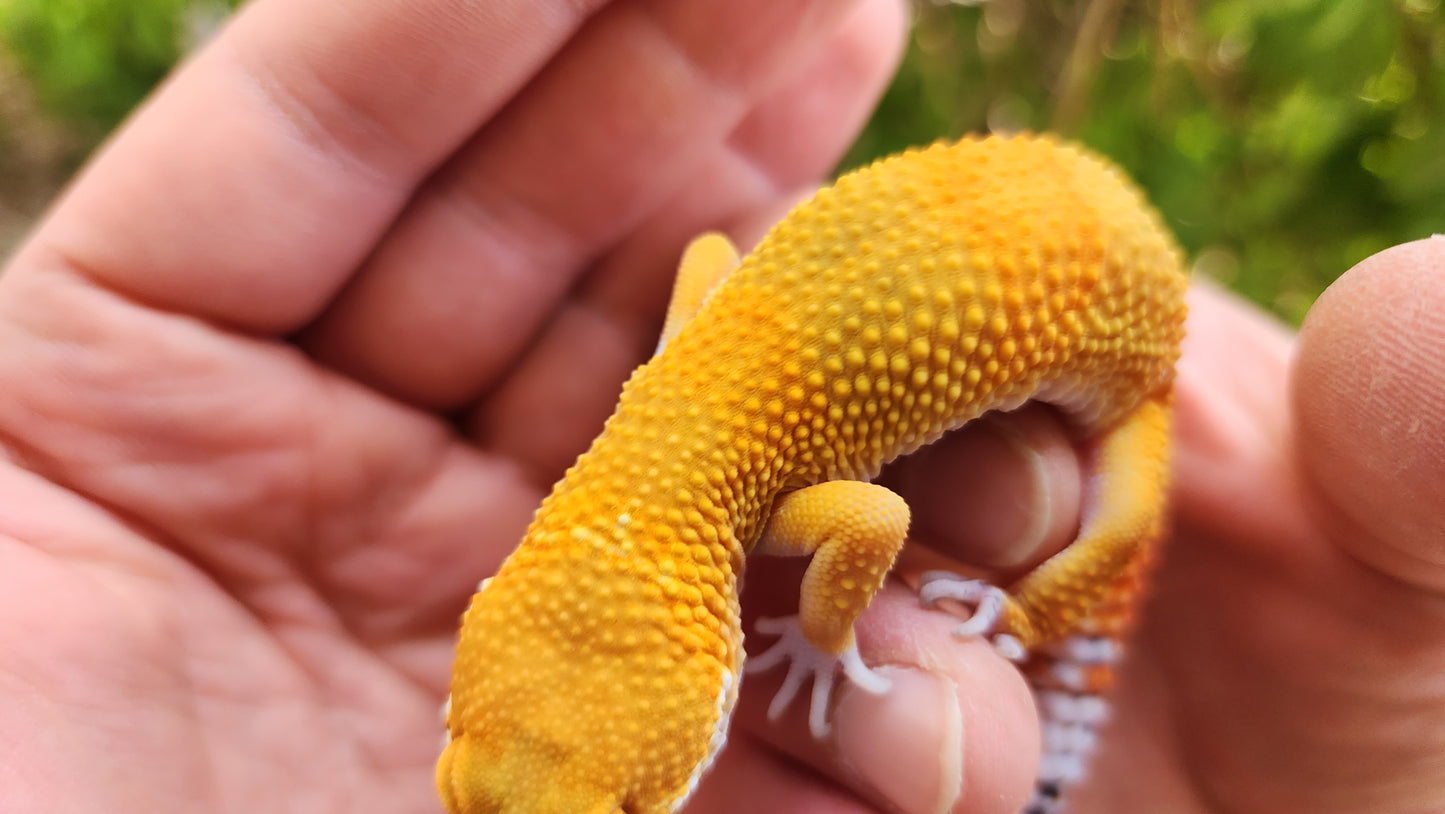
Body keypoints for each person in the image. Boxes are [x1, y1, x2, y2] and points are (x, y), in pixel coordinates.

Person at [1, 1, 1440, 812]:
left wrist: (824, 634)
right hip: (1002, 234)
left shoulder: (773, 495)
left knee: (1061, 580)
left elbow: (873, 510)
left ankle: (1063, 729)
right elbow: (707, 267)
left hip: (1114, 333)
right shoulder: (677, 396)